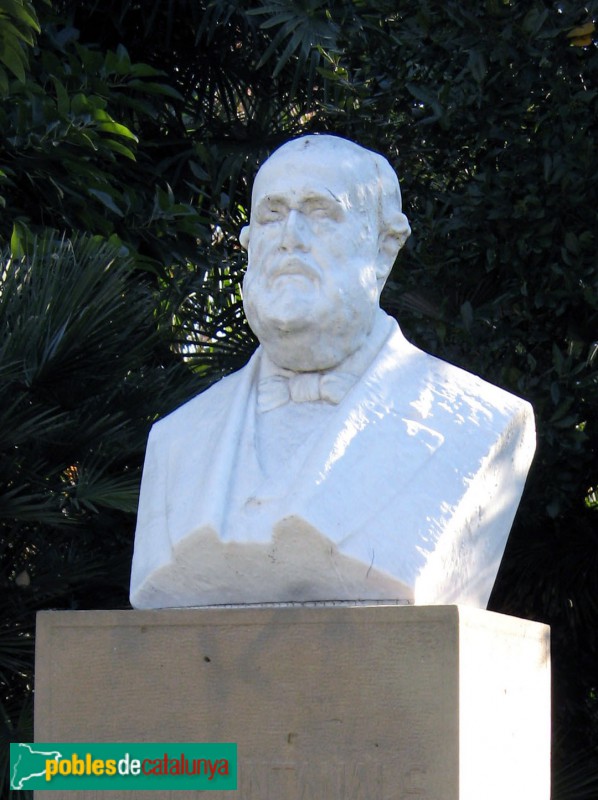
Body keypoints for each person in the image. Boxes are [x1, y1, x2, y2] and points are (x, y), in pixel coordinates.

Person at [130, 134, 535, 610]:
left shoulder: (480, 423)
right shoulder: (176, 441)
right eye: (272, 214)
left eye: (321, 212)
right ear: (248, 243)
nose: (290, 237)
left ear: (385, 248)